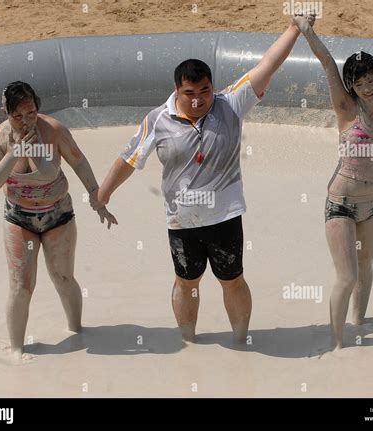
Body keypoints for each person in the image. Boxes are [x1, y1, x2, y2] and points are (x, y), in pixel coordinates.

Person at [92, 19, 306, 345]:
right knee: (185, 282)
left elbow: (268, 64)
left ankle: (239, 342)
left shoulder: (231, 103)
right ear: (177, 90)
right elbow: (128, 159)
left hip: (224, 217)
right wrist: (102, 194)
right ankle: (188, 344)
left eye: (204, 91)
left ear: (212, 86)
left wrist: (295, 28)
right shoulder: (157, 120)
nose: (198, 100)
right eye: (189, 93)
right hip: (181, 222)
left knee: (232, 280)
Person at [0, 81, 117, 360]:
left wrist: (96, 197)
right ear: (5, 113)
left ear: (37, 108)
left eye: (30, 113)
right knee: (21, 285)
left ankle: (78, 331)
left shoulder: (53, 130)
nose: (25, 121)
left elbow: (76, 162)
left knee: (63, 278)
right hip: (19, 219)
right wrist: (13, 154)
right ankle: (16, 349)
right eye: (17, 116)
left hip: (58, 215)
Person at [292, 15, 373, 349]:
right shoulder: (346, 108)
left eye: (371, 80)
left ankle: (359, 325)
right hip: (340, 203)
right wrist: (305, 28)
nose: (367, 87)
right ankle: (336, 345)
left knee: (366, 265)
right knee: (347, 275)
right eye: (359, 83)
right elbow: (326, 61)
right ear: (351, 87)